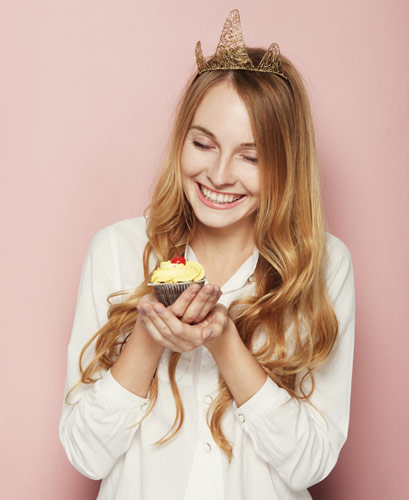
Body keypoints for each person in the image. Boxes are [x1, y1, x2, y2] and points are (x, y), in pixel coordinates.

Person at [59, 9, 355, 500]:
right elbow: (85, 454)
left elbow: (312, 463)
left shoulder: (323, 264)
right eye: (203, 143)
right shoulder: (116, 249)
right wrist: (149, 338)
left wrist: (224, 342)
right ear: (183, 139)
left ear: (286, 163)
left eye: (252, 156)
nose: (219, 174)